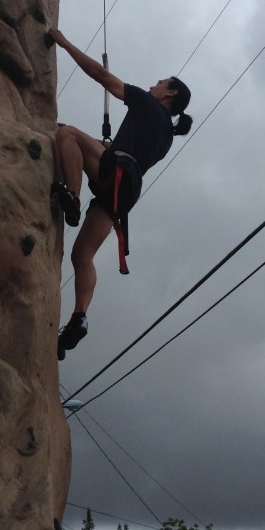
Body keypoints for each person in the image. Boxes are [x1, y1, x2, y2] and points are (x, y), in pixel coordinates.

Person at [48, 27, 192, 360]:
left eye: (160, 82)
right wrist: (105, 147)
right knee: (82, 255)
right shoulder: (167, 136)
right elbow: (131, 152)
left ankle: (71, 195)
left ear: (169, 92)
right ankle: (79, 317)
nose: (154, 84)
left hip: (118, 174)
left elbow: (101, 76)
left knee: (66, 134)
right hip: (126, 191)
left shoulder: (145, 101)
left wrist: (65, 43)